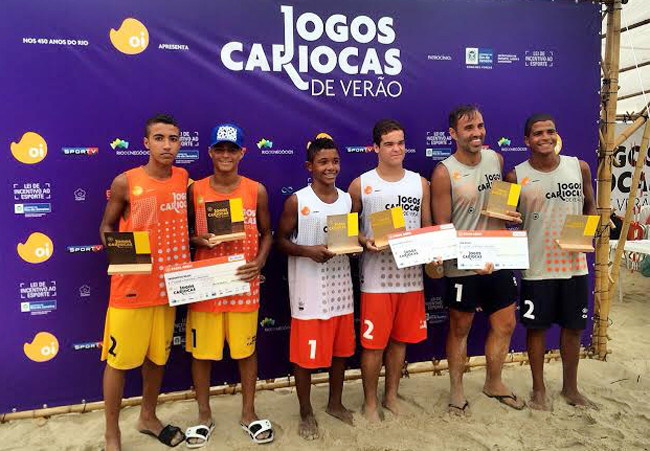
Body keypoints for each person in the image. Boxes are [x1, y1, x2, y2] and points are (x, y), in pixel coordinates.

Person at [99, 113, 188, 450]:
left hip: (168, 289)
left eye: (173, 139)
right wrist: (124, 260)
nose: (167, 145)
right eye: (160, 138)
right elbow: (107, 228)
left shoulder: (182, 178)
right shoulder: (126, 181)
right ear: (146, 143)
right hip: (131, 290)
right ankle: (112, 433)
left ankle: (147, 417)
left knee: (156, 360)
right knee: (119, 362)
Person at [430, 104, 525, 416]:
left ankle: (493, 382)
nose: (477, 133)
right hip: (463, 264)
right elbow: (443, 229)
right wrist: (468, 260)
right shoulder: (444, 172)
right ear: (453, 134)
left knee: (506, 322)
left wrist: (511, 215)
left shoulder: (496, 159)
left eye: (480, 126)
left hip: (498, 258)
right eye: (469, 128)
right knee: (460, 328)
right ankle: (456, 391)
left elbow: (501, 205)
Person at [184, 123, 274, 446]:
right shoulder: (195, 190)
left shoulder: (256, 190)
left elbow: (267, 233)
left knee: (246, 352)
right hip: (206, 284)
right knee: (202, 354)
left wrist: (260, 261)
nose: (225, 155)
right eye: (219, 149)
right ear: (209, 151)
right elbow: (185, 235)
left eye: (231, 149)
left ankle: (248, 413)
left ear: (242, 152)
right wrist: (199, 240)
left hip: (243, 283)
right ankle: (204, 415)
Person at [504, 113, 597, 410]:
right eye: (538, 133)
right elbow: (502, 217)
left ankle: (571, 388)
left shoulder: (578, 166)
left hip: (574, 265)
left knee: (573, 329)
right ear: (527, 141)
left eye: (550, 132)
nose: (545, 137)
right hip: (537, 267)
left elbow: (590, 204)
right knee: (537, 330)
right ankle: (539, 391)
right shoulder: (515, 176)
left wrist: (588, 232)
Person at [348, 119, 433, 421]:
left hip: (411, 278)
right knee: (373, 345)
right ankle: (370, 402)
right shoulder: (361, 184)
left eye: (400, 143)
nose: (397, 149)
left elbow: (427, 227)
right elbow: (346, 230)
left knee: (400, 342)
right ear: (375, 147)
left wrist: (432, 251)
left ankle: (391, 396)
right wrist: (364, 240)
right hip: (376, 278)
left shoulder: (420, 183)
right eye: (389, 144)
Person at [277, 135, 355, 439]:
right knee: (304, 359)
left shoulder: (347, 198)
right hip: (307, 294)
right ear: (310, 166)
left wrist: (360, 244)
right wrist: (308, 251)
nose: (330, 167)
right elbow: (280, 241)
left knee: (340, 352)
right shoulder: (297, 200)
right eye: (323, 162)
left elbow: (347, 238)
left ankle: (335, 403)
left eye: (334, 161)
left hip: (341, 290)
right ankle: (306, 411)